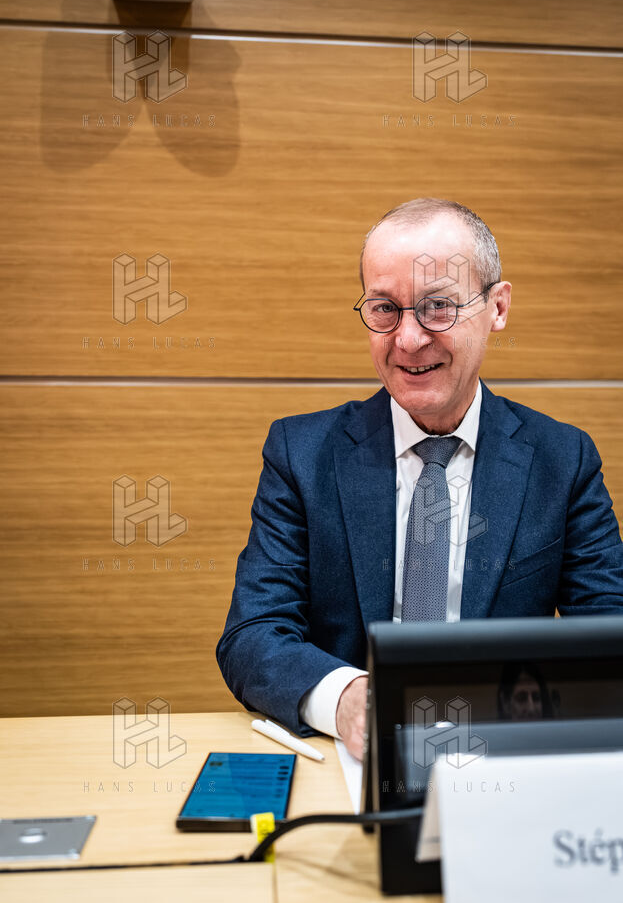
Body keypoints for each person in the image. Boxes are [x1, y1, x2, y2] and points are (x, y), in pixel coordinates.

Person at [216, 198, 623, 761]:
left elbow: (608, 634)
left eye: (438, 307)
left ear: (497, 307)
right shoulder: (302, 454)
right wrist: (347, 701)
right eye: (385, 309)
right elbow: (253, 635)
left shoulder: (563, 460)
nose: (408, 339)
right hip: (353, 765)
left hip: (506, 759)